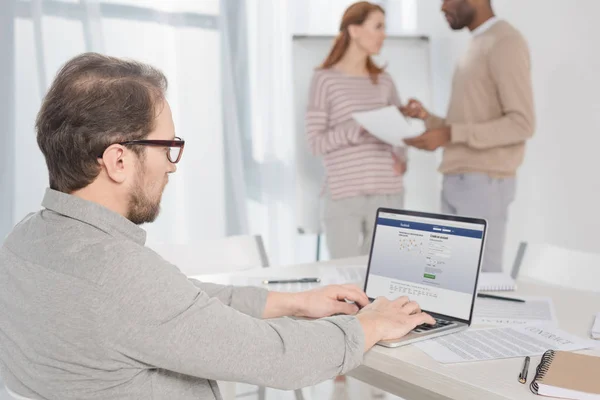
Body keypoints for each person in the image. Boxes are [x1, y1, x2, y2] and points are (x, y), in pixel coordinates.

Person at [0, 53, 434, 400]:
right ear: (118, 160)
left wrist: (295, 303)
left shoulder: (24, 242)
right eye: (168, 147)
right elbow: (278, 359)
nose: (171, 167)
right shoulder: (119, 276)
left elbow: (183, 303)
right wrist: (371, 323)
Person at [403, 0, 535, 272]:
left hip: (484, 183)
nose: (441, 8)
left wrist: (449, 133)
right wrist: (428, 119)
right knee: (447, 281)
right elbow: (465, 125)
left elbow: (522, 123)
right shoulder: (477, 44)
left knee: (480, 283)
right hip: (457, 179)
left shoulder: (505, 42)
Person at [306, 1, 408, 260]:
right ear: (354, 30)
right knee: (345, 279)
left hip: (388, 193)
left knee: (385, 274)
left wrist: (402, 157)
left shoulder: (385, 81)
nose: (384, 34)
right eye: (378, 26)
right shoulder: (324, 79)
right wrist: (357, 127)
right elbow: (315, 143)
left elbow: (400, 134)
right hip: (344, 193)